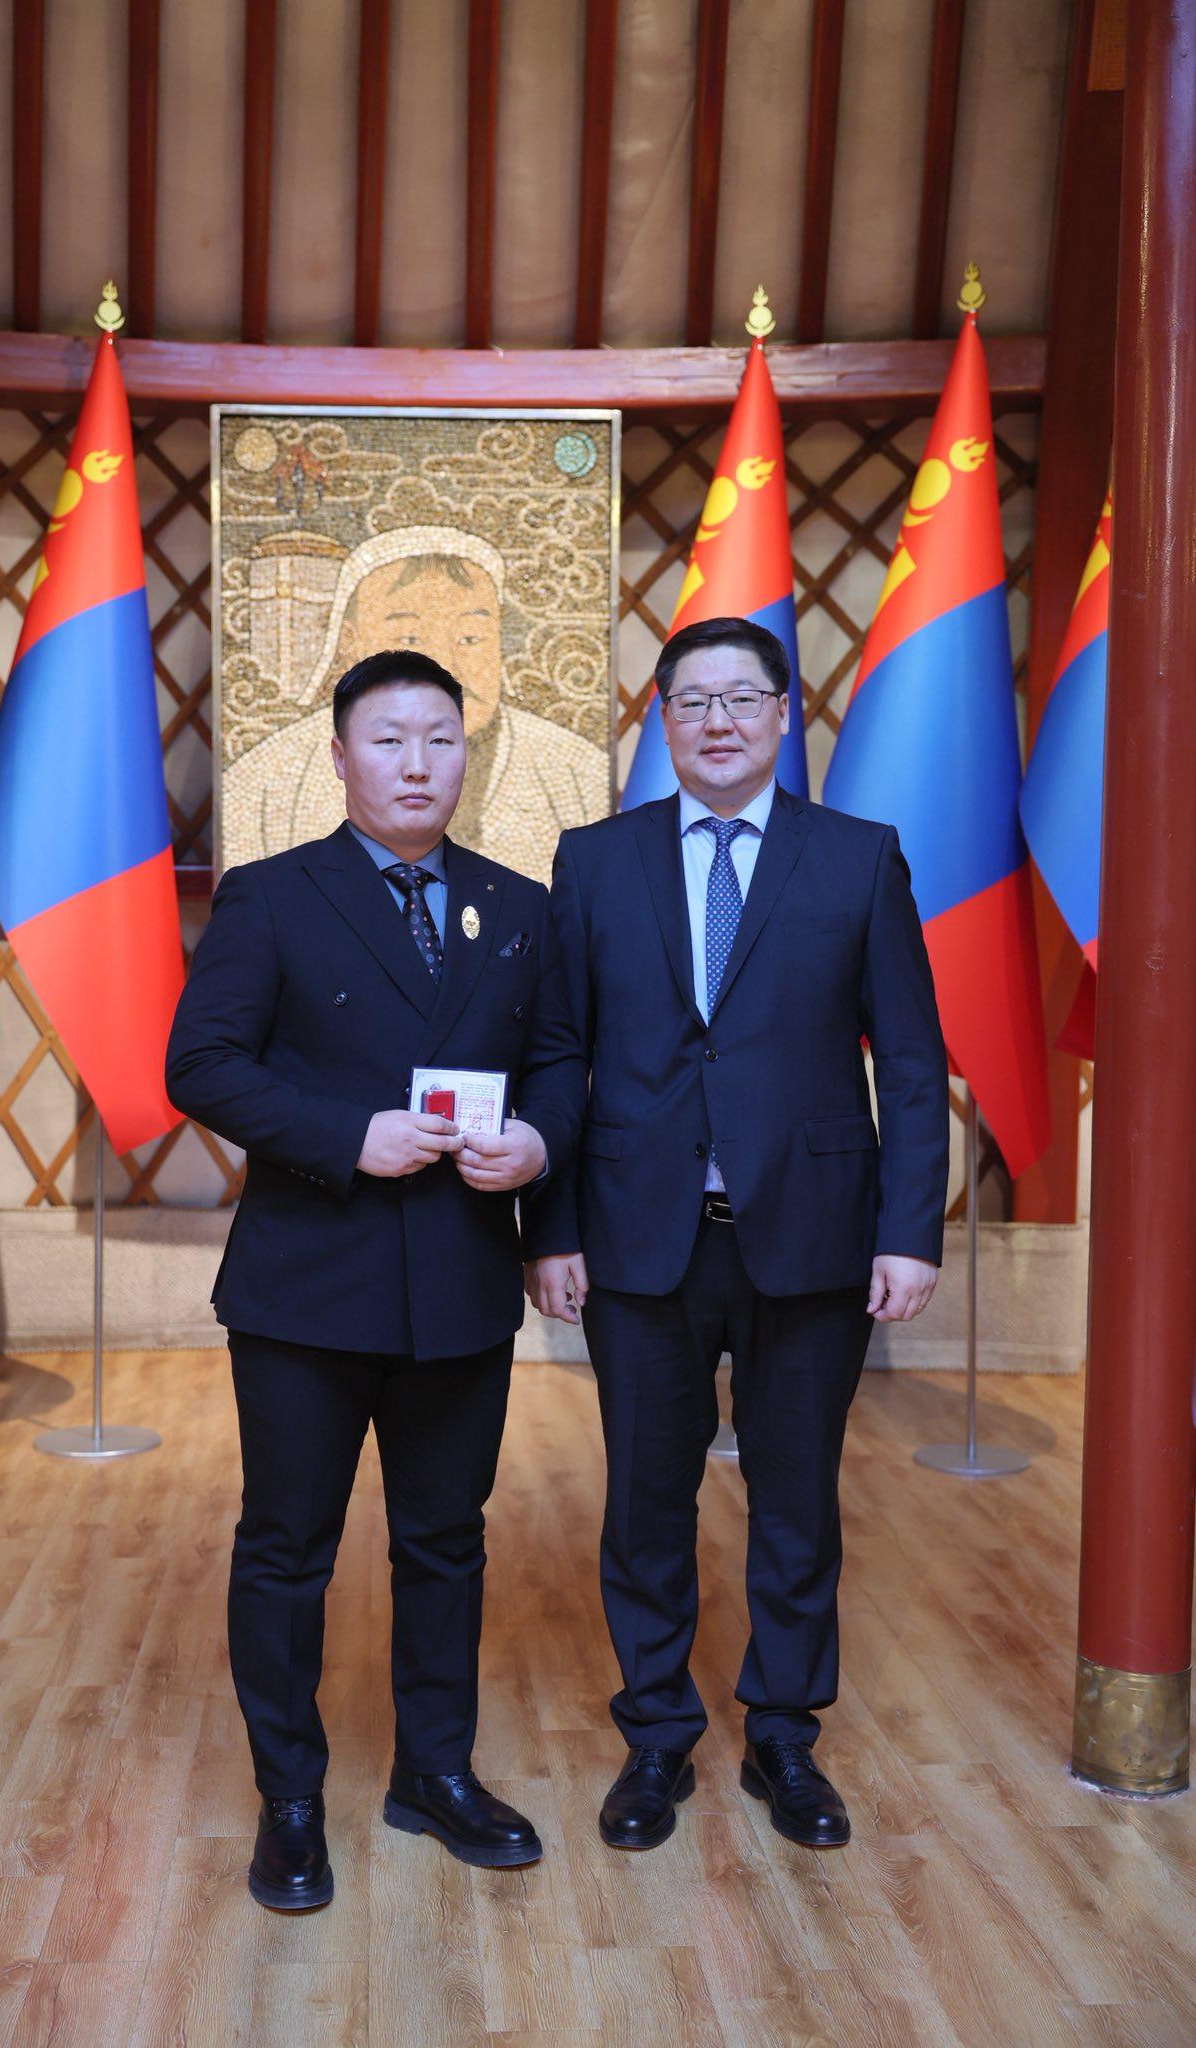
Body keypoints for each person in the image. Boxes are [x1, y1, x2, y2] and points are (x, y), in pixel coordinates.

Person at [524, 615, 949, 1853]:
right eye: (691, 701)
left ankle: (784, 1734)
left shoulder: (858, 857)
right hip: (637, 1234)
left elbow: (909, 1060)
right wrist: (550, 1225)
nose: (717, 721)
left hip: (812, 1233)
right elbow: (558, 1052)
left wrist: (910, 1230)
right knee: (645, 1498)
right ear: (660, 719)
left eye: (741, 698)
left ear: (781, 715)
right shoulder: (595, 861)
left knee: (797, 1496)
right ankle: (657, 1732)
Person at [167, 649, 566, 1911]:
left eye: (440, 738)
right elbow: (201, 1063)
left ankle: (433, 1773)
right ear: (339, 757)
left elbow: (560, 1060)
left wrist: (537, 1143)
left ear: (467, 755)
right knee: (288, 1546)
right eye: (388, 739)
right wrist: (349, 1135)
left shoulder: (516, 905)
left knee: (446, 1541)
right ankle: (289, 1797)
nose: (415, 763)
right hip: (307, 1286)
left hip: (458, 1278)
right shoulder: (272, 896)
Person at [221, 526, 608, 882]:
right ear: (350, 642)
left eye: (470, 638)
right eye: (409, 637)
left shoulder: (575, 772)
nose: (445, 663)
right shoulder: (264, 782)